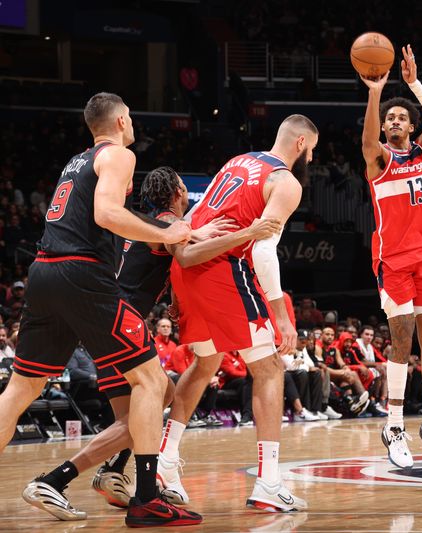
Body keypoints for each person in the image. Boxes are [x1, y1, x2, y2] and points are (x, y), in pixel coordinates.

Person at [22, 164, 280, 521]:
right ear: (177, 193)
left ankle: (115, 469)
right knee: (146, 412)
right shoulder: (168, 226)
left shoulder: (136, 225)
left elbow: (155, 266)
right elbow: (187, 254)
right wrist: (237, 233)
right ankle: (55, 479)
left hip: (101, 322)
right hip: (118, 324)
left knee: (147, 410)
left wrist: (172, 298)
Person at [0, 92, 203, 527]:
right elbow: (108, 213)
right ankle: (146, 497)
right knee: (152, 381)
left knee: (19, 392)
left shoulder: (75, 162)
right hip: (82, 276)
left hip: (44, 270)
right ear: (123, 121)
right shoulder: (119, 155)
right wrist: (170, 232)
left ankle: (114, 475)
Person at [158, 114, 319, 512]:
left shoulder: (237, 160)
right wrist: (281, 314)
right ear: (300, 144)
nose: (311, 159)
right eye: (311, 151)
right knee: (270, 369)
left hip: (188, 264)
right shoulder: (286, 182)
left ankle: (164, 459)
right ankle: (268, 483)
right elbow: (263, 250)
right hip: (223, 270)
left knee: (205, 361)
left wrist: (179, 274)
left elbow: (191, 220)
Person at [360, 45, 422, 468]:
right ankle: (393, 424)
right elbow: (366, 138)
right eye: (389, 119)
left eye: (401, 118)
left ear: (411, 128)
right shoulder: (378, 159)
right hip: (393, 260)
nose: (394, 122)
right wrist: (377, 92)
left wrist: (412, 82)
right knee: (402, 340)